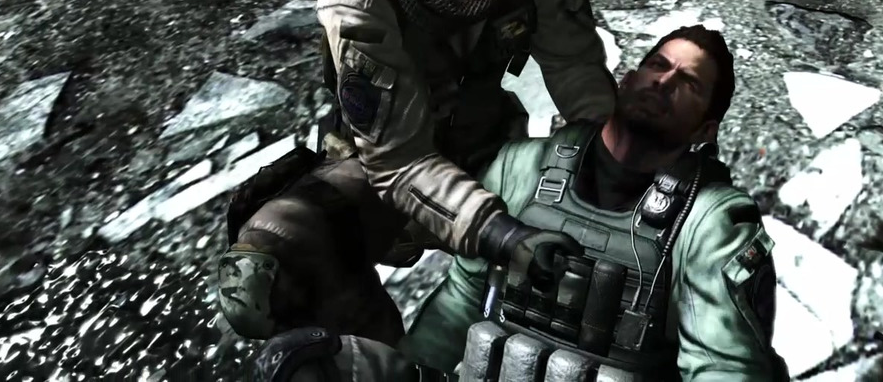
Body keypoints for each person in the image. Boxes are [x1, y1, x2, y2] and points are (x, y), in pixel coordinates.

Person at [218, 0, 615, 348]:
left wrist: (603, 164)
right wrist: (502, 234)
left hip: (491, 152)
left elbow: (576, 69)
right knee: (261, 273)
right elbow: (399, 163)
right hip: (379, 175)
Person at [249, 25, 790, 381]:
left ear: (705, 129)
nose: (664, 82)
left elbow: (723, 367)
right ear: (628, 79)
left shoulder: (711, 221)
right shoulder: (522, 166)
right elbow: (462, 301)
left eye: (688, 82)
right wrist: (414, 368)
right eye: (658, 65)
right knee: (306, 364)